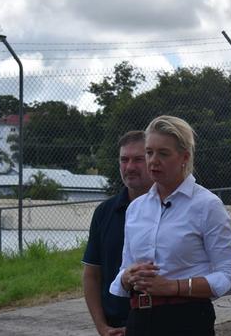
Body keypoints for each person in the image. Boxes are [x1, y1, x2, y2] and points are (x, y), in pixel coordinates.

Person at [110, 115, 231, 336]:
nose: (153, 161)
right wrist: (127, 277)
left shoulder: (206, 205)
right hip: (139, 319)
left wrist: (174, 286)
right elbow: (125, 268)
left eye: (163, 153)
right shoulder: (136, 208)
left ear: (184, 157)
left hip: (187, 319)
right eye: (149, 152)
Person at [82, 131, 154, 336]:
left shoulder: (175, 209)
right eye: (124, 160)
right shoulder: (105, 212)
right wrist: (102, 327)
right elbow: (92, 276)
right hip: (116, 327)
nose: (130, 167)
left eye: (138, 159)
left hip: (161, 322)